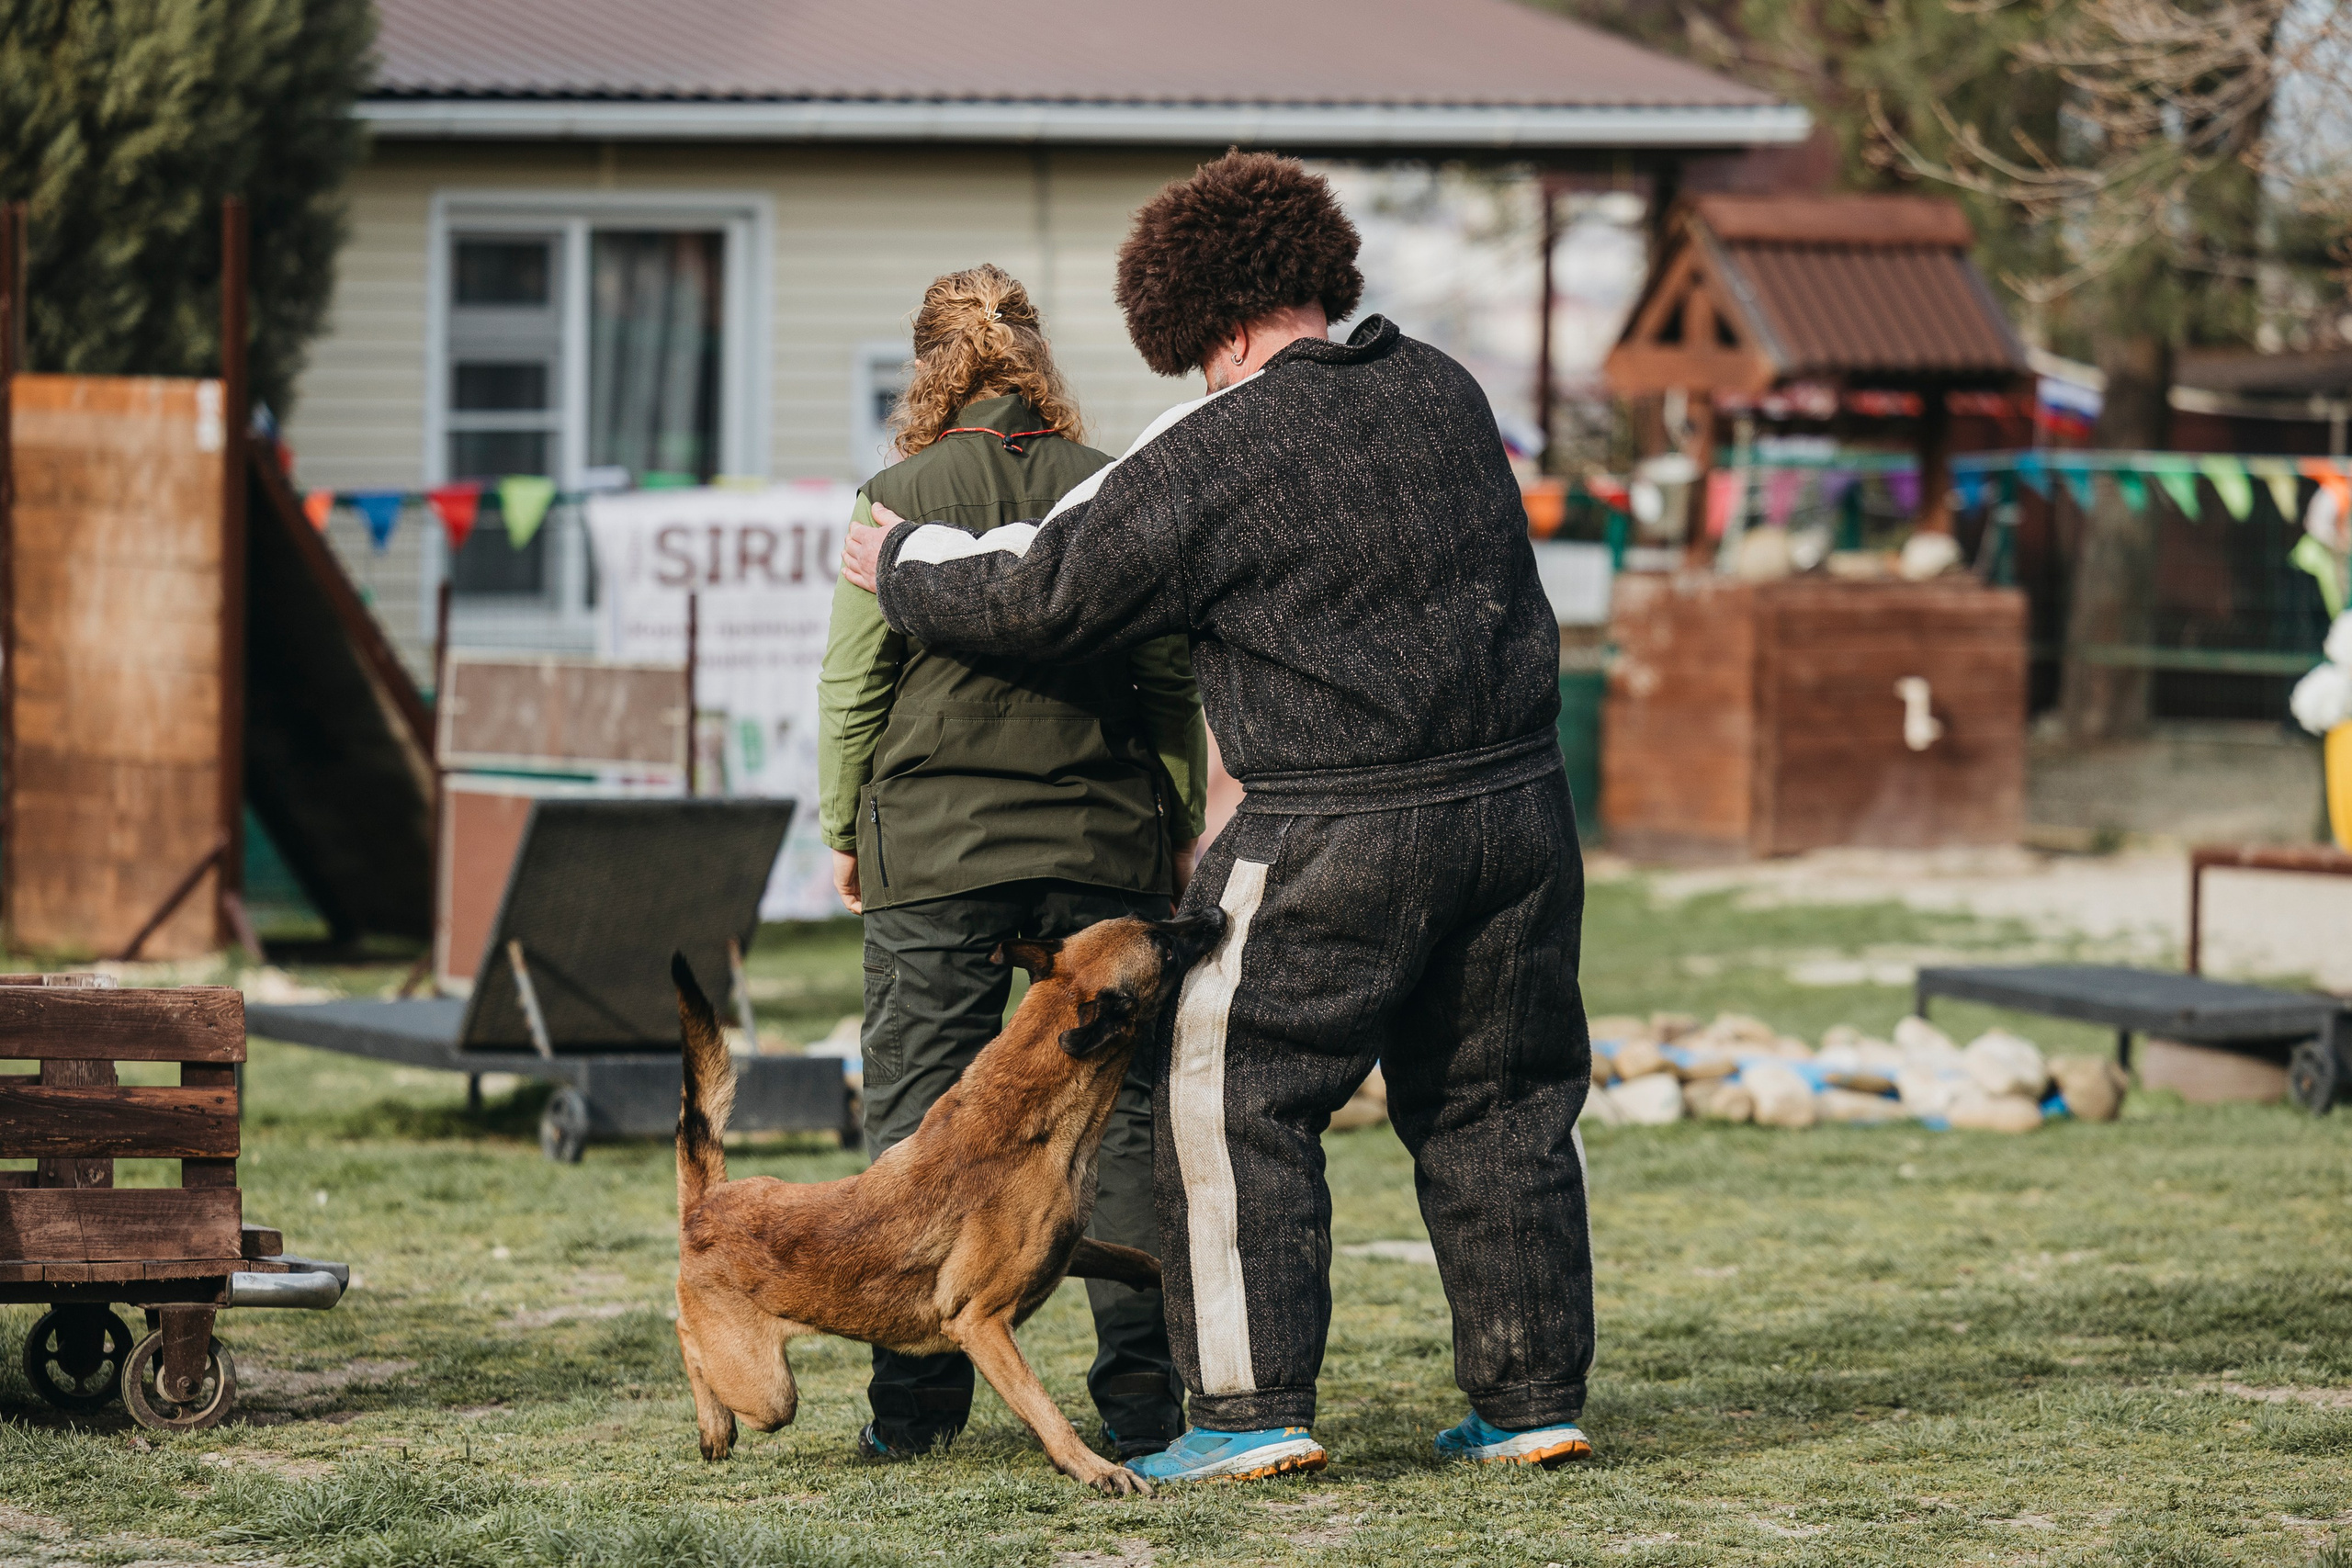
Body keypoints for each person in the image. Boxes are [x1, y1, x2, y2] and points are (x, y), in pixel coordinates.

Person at [842, 152, 1597, 1485]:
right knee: (1501, 1103)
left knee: (1226, 1099)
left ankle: (1248, 1414)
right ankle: (1531, 1401)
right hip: (1522, 810)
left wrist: (897, 561)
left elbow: (1046, 591)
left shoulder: (1223, 439)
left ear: (1209, 324)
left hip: (1333, 824)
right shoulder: (1446, 389)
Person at [817, 263, 1207, 1465]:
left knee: (917, 1124)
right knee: (1125, 1124)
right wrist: (1179, 816)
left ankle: (916, 1415)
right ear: (1040, 364)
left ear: (928, 371)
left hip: (935, 856)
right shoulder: (1113, 493)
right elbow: (1165, 679)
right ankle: (1148, 1406)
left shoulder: (892, 500)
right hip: (1102, 850)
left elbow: (855, 685)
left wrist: (844, 827)